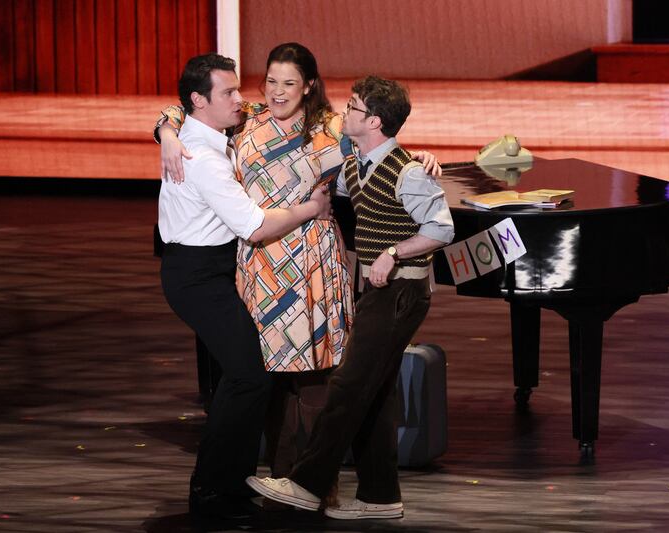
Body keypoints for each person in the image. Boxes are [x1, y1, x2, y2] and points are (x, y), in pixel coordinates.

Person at [155, 43, 442, 492]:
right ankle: (267, 476)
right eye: (270, 80)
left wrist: (418, 158)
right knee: (262, 371)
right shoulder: (245, 115)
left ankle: (307, 484)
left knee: (317, 370)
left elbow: (380, 144)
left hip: (313, 259)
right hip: (260, 259)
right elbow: (179, 108)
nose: (277, 91)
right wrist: (168, 135)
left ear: (309, 85)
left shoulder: (330, 125)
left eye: (289, 82)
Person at [246, 76, 455, 520]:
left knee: (348, 386)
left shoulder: (409, 171)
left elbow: (441, 229)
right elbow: (336, 184)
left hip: (401, 291)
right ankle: (380, 496)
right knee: (373, 392)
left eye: (355, 107)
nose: (347, 112)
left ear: (374, 120)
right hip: (379, 290)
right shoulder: (357, 163)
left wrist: (392, 253)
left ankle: (306, 484)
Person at [157, 52, 331, 518]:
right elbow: (253, 226)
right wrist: (309, 210)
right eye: (229, 92)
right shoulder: (203, 158)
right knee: (248, 376)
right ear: (200, 101)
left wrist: (166, 131)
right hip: (197, 276)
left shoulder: (210, 132)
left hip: (212, 270)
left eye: (239, 89)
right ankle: (212, 489)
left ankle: (225, 485)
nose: (244, 98)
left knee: (242, 376)